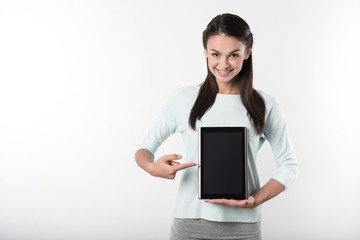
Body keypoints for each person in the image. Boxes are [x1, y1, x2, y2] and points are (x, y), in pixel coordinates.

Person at [134, 13, 298, 240]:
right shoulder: (183, 99)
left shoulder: (265, 104)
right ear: (205, 51)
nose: (223, 64)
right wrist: (152, 167)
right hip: (189, 222)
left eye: (233, 55)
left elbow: (288, 165)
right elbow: (144, 149)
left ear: (247, 53)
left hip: (244, 227)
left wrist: (254, 200)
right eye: (215, 54)